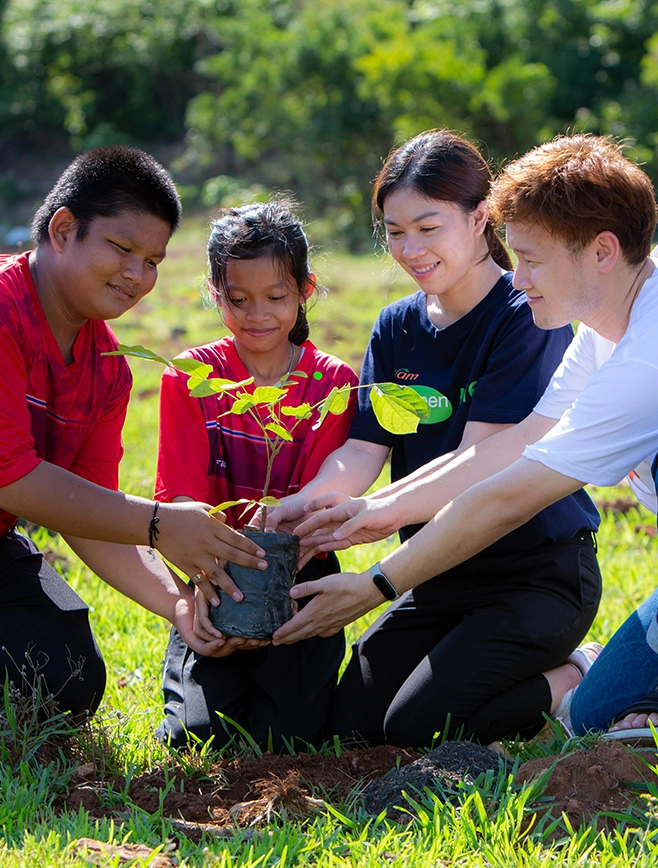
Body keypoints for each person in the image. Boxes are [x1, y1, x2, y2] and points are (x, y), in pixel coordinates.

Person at [275, 133, 658, 746]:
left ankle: (583, 674)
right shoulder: (599, 329)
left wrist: (374, 584)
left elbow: (507, 494)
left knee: (569, 721)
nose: (519, 274)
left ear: (603, 251)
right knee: (359, 727)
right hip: (450, 574)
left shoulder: (640, 360)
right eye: (395, 232)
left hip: (535, 571)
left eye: (531, 259)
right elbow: (525, 439)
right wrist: (367, 510)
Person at [0, 146, 268, 722]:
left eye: (152, 261)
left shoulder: (108, 369)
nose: (135, 275)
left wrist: (178, 606)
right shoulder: (2, 310)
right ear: (64, 230)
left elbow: (90, 513)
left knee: (64, 682)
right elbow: (10, 476)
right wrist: (158, 523)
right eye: (122, 249)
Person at [154, 200, 359, 751]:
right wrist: (207, 584)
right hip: (211, 574)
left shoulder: (332, 383)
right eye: (237, 300)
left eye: (275, 297)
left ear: (305, 290)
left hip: (299, 574)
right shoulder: (192, 376)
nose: (256, 315)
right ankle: (191, 660)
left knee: (289, 739)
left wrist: (273, 569)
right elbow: (178, 496)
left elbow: (320, 505)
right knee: (198, 737)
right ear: (215, 294)